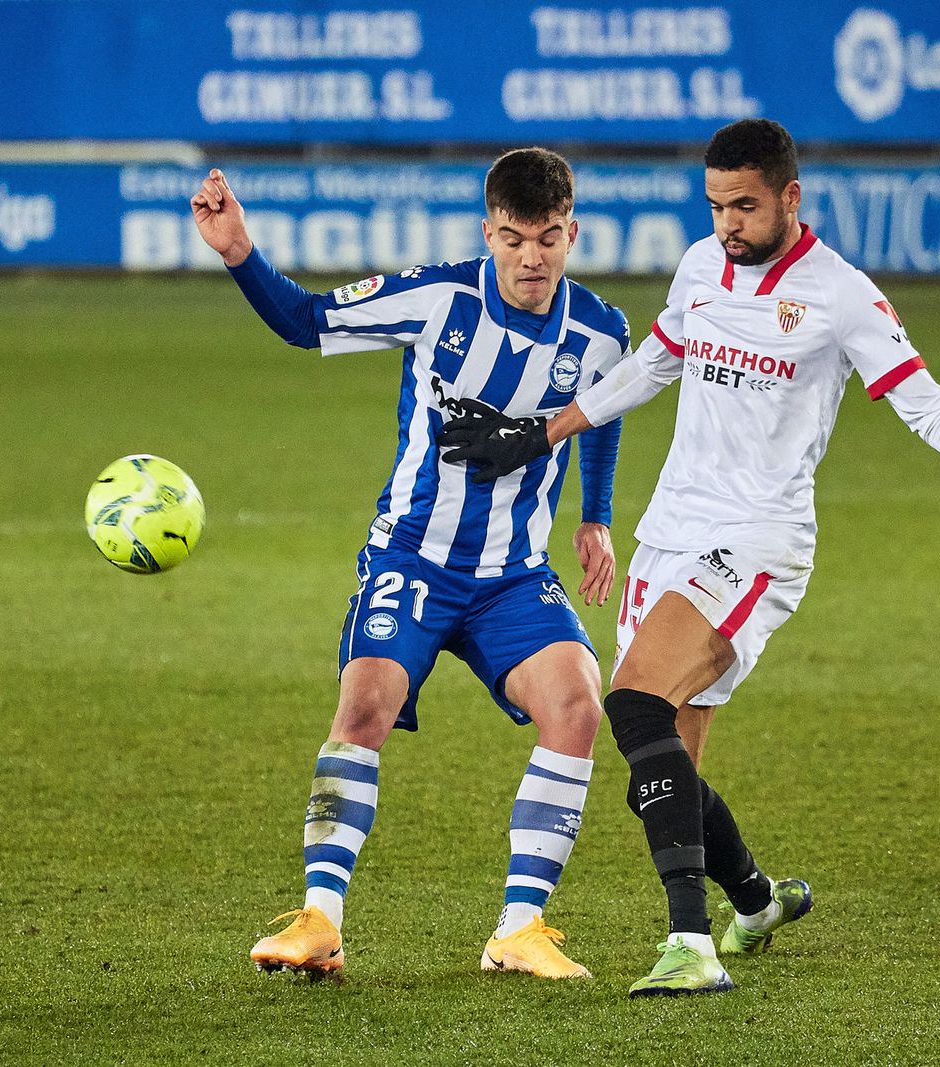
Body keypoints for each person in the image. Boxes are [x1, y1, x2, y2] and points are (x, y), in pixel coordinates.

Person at [438, 119, 940, 997]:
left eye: (746, 205)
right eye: (717, 204)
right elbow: (651, 365)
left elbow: (924, 404)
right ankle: (756, 901)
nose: (728, 222)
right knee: (663, 772)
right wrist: (540, 434)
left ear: (790, 198)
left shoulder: (840, 296)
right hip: (672, 532)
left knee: (635, 702)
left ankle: (691, 946)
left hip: (758, 542)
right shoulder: (700, 266)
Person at [190, 149, 631, 980]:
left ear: (573, 232)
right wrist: (239, 252)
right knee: (366, 705)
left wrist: (596, 516)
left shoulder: (601, 330)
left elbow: (603, 409)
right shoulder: (439, 297)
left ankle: (519, 928)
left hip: (512, 573)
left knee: (577, 704)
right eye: (511, 239)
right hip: (414, 558)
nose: (529, 258)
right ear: (486, 233)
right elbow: (306, 320)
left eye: (546, 239)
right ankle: (320, 920)